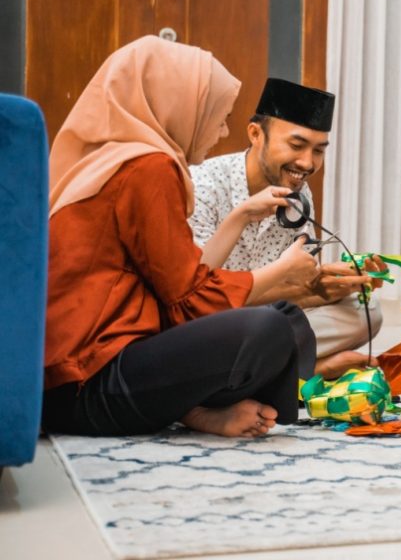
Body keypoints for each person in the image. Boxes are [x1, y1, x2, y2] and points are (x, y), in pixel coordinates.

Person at [41, 36, 320, 438]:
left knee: (285, 318)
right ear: (181, 106)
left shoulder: (114, 158)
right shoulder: (148, 168)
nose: (223, 130)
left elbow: (175, 282)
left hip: (76, 380)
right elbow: (187, 296)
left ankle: (194, 410)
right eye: (218, 115)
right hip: (89, 383)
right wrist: (282, 272)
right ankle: (202, 408)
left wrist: (240, 213)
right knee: (270, 329)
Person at [188, 77, 379, 377]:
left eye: (318, 150)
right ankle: (308, 371)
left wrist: (336, 282)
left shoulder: (299, 195)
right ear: (255, 134)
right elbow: (196, 293)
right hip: (208, 323)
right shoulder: (203, 184)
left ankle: (272, 369)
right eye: (296, 145)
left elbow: (292, 290)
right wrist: (298, 290)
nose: (307, 163)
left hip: (264, 325)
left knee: (366, 313)